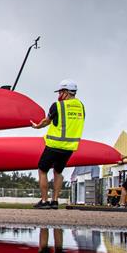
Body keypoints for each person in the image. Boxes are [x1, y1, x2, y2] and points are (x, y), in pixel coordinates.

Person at [30, 79, 85, 209]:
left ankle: (44, 201)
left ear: (65, 92)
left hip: (54, 145)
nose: (59, 94)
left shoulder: (58, 106)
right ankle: (55, 201)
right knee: (58, 172)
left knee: (42, 170)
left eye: (60, 91)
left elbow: (46, 121)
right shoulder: (81, 106)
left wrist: (36, 126)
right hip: (69, 147)